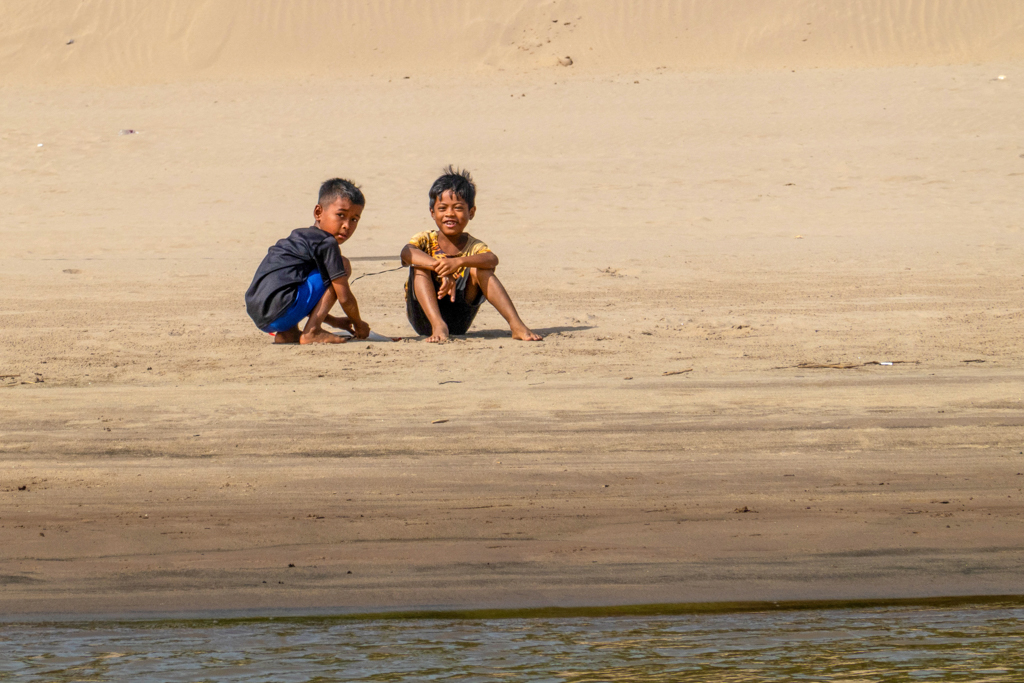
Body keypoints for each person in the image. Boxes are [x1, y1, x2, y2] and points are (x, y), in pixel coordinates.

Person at [400, 166, 542, 343]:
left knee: (481, 269)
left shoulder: (473, 245)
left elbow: (492, 259)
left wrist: (458, 263)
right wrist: (442, 270)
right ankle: (438, 324)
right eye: (442, 208)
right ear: (432, 213)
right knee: (419, 267)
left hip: (460, 319)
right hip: (424, 318)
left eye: (458, 208)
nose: (450, 214)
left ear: (471, 213)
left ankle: (516, 325)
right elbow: (407, 253)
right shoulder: (425, 239)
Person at [245, 178, 371, 344]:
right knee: (342, 265)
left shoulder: (299, 238)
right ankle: (312, 331)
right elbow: (344, 297)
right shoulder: (326, 243)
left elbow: (287, 287)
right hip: (282, 310)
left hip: (261, 314)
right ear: (318, 212)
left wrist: (334, 321)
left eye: (354, 219)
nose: (347, 225)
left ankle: (287, 334)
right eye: (341, 215)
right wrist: (358, 323)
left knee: (296, 277)